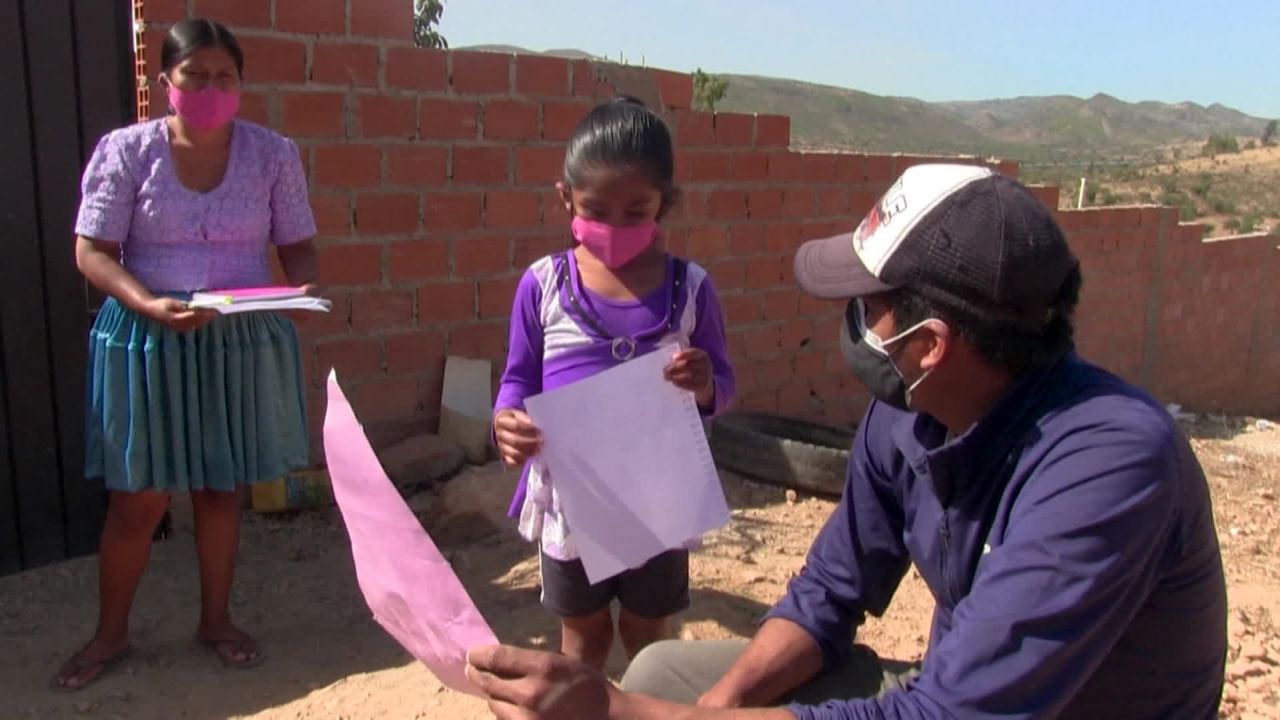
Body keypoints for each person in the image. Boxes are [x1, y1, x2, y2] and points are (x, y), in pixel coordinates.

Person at [465, 163, 1228, 719]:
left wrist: (620, 715)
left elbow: (948, 717)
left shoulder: (1108, 463)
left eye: (868, 305)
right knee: (668, 670)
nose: (852, 323)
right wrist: (713, 708)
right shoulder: (906, 417)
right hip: (963, 697)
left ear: (931, 344)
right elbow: (831, 591)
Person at [53, 19, 318, 691]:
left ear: (241, 84)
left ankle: (217, 622)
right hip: (148, 337)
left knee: (222, 490)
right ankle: (109, 635)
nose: (208, 88)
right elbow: (92, 250)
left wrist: (299, 288)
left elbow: (298, 246)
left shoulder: (273, 155)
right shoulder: (126, 152)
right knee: (137, 501)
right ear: (163, 83)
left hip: (235, 339)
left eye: (223, 77)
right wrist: (145, 303)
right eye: (193, 75)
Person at [491, 97, 736, 672]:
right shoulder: (544, 286)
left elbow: (724, 383)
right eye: (595, 210)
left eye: (636, 211)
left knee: (650, 636)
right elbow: (518, 378)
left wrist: (704, 383)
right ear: (565, 199)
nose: (614, 228)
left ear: (665, 204)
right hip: (576, 504)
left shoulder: (691, 289)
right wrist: (506, 423)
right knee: (583, 637)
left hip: (659, 496)